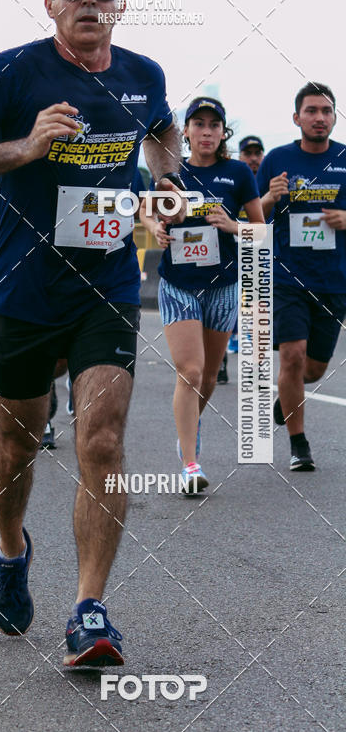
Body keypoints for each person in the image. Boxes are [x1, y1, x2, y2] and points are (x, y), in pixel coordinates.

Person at [0, 0, 186, 667]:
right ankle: (12, 550)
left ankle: (88, 611)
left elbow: (162, 132)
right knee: (17, 443)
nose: (89, 2)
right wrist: (28, 145)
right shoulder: (14, 69)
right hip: (21, 287)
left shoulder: (144, 75)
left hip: (104, 284)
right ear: (50, 3)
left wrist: (165, 182)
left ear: (119, 5)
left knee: (101, 441)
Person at [143, 97, 264, 491]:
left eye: (214, 125)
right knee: (190, 371)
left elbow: (260, 231)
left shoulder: (239, 174)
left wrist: (232, 225)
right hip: (179, 283)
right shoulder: (171, 172)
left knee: (209, 377)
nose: (207, 131)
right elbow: (148, 209)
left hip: (224, 285)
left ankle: (187, 432)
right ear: (187, 132)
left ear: (223, 132)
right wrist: (155, 229)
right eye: (199, 124)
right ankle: (191, 464)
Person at [258, 82, 346, 471]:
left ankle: (286, 399)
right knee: (291, 357)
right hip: (286, 278)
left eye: (326, 111)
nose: (319, 118)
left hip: (333, 280)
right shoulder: (277, 159)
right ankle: (299, 445)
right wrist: (269, 199)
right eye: (311, 111)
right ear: (297, 118)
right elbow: (249, 219)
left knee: (313, 369)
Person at [218, 134, 266, 381]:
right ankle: (221, 360)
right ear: (240, 155)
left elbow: (266, 218)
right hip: (229, 252)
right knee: (227, 306)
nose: (254, 158)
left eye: (258, 153)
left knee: (258, 307)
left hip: (258, 251)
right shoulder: (232, 177)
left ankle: (257, 367)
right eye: (249, 153)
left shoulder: (267, 181)